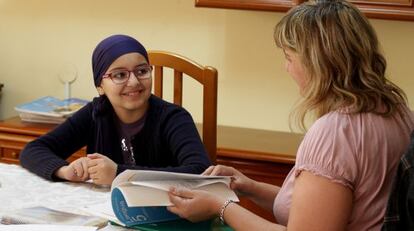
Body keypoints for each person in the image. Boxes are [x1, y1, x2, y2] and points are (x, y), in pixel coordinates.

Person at [166, 1, 414, 230]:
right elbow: (320, 209)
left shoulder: (335, 133)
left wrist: (219, 207)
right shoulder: (397, 111)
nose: (286, 67)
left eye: (289, 57)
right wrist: (249, 187)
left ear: (316, 63)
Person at [20, 34, 211, 186]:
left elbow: (200, 170)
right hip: (107, 212)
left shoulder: (173, 118)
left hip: (167, 212)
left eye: (142, 71)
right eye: (120, 75)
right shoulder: (95, 113)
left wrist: (120, 174)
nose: (134, 82)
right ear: (100, 86)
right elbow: (33, 150)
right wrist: (64, 170)